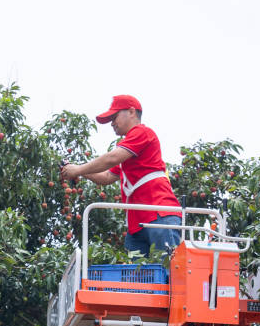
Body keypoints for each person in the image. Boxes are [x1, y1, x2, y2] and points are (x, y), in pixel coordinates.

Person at [60, 95, 182, 266]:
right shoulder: (128, 149)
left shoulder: (142, 133)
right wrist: (77, 169)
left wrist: (78, 169)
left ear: (132, 112)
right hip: (137, 224)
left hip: (159, 215)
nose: (112, 123)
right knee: (140, 282)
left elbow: (112, 158)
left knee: (170, 275)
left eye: (114, 117)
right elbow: (107, 177)